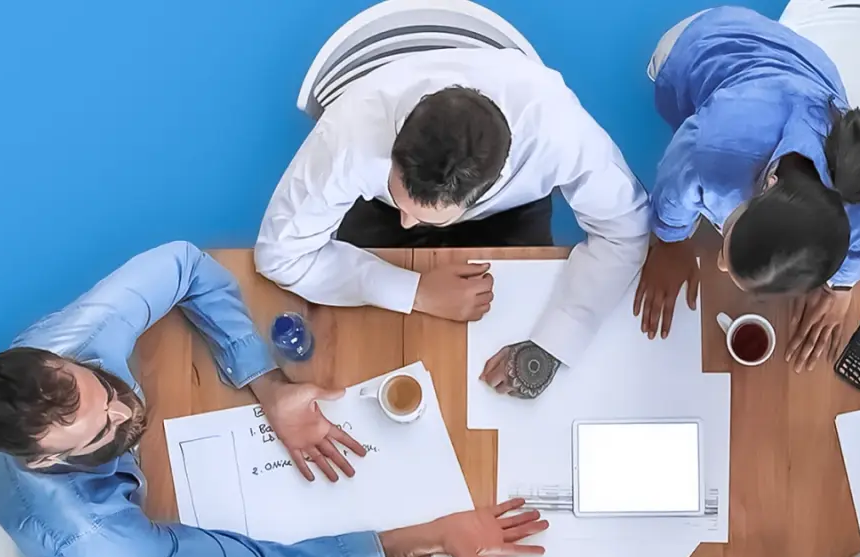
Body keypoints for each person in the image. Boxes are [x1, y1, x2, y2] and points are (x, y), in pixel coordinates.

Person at [0, 241, 549, 557]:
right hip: (87, 549)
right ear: (45, 458)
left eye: (106, 388)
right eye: (99, 430)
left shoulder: (79, 336)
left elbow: (185, 262)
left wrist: (268, 387)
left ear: (58, 357)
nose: (125, 411)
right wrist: (428, 537)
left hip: (142, 468)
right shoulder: (94, 533)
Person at [256, 46, 651, 400]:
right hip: (375, 206)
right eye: (404, 200)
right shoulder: (349, 135)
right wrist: (415, 291)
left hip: (509, 213)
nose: (408, 226)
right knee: (362, 348)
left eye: (421, 215)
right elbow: (280, 256)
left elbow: (625, 227)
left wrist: (555, 342)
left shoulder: (559, 132)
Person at [635, 7, 860, 373]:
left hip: (806, 65)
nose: (717, 261)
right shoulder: (714, 148)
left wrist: (841, 289)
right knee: (668, 71)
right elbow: (673, 186)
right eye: (727, 236)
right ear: (768, 183)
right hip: (703, 42)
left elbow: (859, 246)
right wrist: (671, 244)